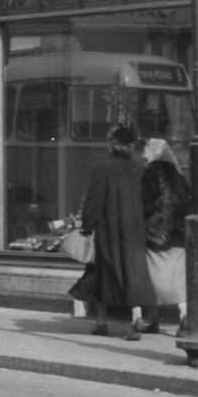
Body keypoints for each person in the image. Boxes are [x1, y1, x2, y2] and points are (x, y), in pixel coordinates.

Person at [70, 124, 155, 339]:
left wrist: (87, 226)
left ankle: (101, 323)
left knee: (104, 275)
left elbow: (94, 202)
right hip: (134, 231)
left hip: (109, 230)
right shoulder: (140, 168)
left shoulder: (102, 168)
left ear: (112, 144)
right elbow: (149, 202)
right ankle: (136, 317)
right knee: (133, 273)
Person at [139, 138, 191, 336]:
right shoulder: (178, 174)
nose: (144, 153)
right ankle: (185, 316)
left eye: (146, 149)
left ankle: (151, 318)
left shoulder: (150, 173)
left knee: (152, 278)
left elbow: (145, 203)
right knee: (178, 279)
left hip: (156, 235)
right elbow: (187, 201)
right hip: (177, 234)